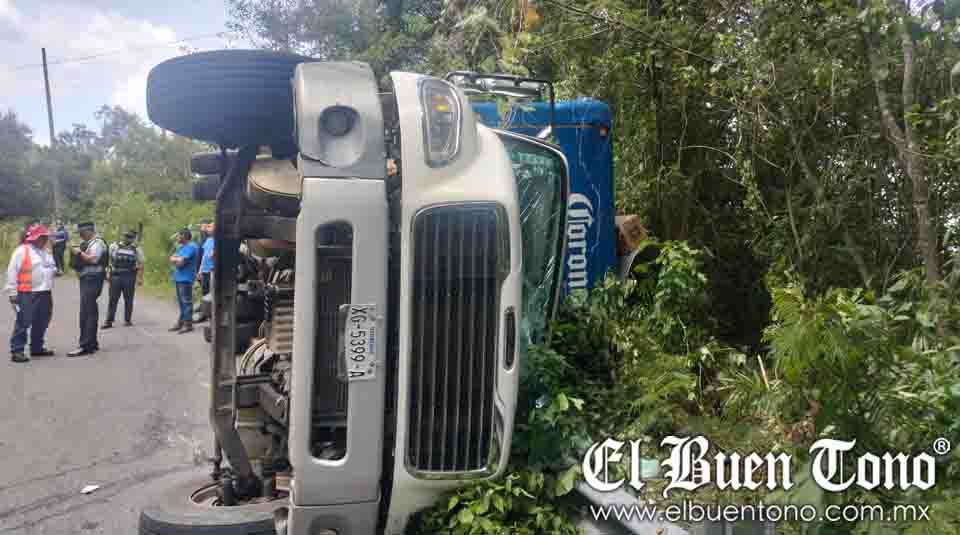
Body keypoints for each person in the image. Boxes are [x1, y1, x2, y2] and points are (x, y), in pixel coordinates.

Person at [5, 224, 57, 363]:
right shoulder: (22, 251)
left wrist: (53, 271)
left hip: (44, 292)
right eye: (42, 237)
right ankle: (17, 350)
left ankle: (37, 347)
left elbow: (51, 266)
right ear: (35, 238)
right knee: (24, 321)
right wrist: (12, 292)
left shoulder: (45, 251)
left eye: (45, 237)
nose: (45, 240)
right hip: (27, 292)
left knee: (42, 321)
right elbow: (12, 271)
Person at [67, 222, 108, 357]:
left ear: (88, 231)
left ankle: (85, 345)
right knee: (90, 311)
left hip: (92, 279)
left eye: (81, 233)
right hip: (88, 279)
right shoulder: (89, 243)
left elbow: (93, 259)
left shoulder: (97, 243)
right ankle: (92, 343)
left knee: (86, 312)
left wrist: (78, 252)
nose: (80, 235)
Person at [103, 230, 145, 329]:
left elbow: (141, 264)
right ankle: (109, 321)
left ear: (133, 239)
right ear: (123, 237)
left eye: (130, 237)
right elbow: (108, 261)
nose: (128, 239)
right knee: (113, 299)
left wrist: (140, 278)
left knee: (129, 299)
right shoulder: (114, 246)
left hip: (129, 276)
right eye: (126, 236)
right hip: (115, 276)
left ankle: (127, 320)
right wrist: (107, 273)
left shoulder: (136, 249)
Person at [169, 228, 199, 334]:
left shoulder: (191, 246)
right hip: (179, 277)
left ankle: (188, 324)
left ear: (184, 236)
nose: (177, 238)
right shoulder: (182, 247)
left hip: (186, 277)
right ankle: (181, 322)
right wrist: (176, 259)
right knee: (181, 302)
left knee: (186, 302)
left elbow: (181, 262)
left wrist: (176, 259)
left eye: (178, 236)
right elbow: (172, 258)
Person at [195, 222, 215, 323]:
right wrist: (200, 269)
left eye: (210, 226)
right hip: (205, 270)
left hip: (212, 271)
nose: (207, 228)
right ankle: (204, 313)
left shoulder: (218, 241)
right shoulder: (208, 240)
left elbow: (212, 256)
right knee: (204, 292)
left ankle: (210, 315)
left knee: (211, 293)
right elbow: (204, 256)